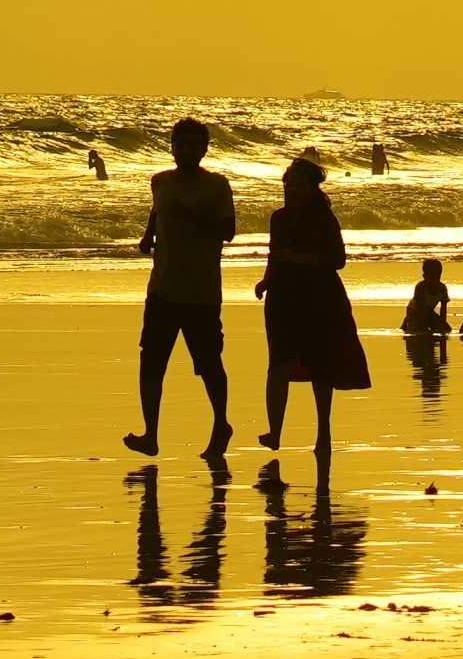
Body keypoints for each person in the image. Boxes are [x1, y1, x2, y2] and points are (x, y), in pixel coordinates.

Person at [251, 152, 372, 477]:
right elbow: (275, 254)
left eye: (299, 186)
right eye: (288, 185)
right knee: (278, 362)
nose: (292, 191)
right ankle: (274, 432)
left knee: (321, 367)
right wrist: (266, 280)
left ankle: (323, 433)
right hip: (284, 297)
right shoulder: (278, 218)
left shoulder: (324, 219)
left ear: (313, 188)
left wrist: (299, 257)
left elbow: (337, 260)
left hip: (319, 298)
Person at [125, 118, 238, 468]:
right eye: (181, 145)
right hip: (162, 289)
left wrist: (189, 216)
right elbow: (159, 209)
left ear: (204, 150)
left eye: (193, 146)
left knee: (208, 363)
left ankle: (221, 425)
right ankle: (150, 435)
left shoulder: (217, 187)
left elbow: (228, 231)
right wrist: (148, 235)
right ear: (172, 146)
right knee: (151, 361)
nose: (186, 152)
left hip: (201, 293)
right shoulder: (160, 181)